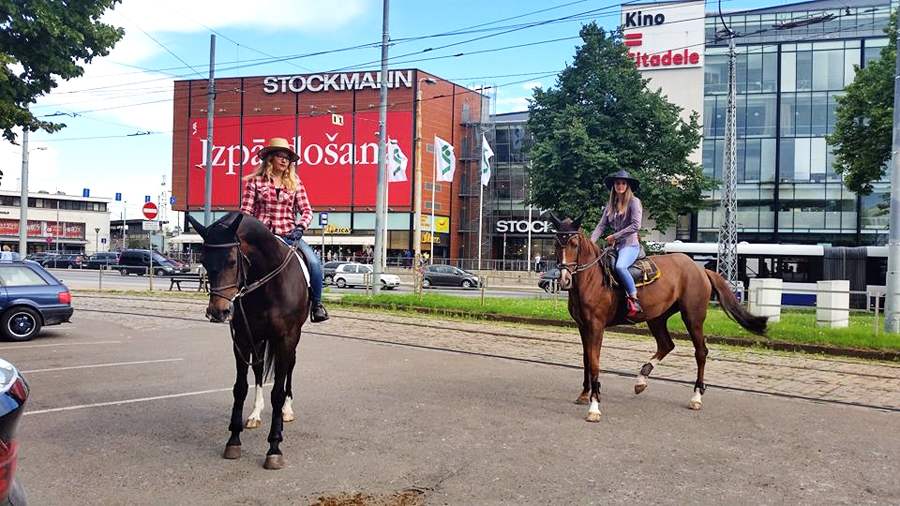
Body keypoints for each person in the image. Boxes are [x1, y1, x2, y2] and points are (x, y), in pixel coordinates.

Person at [240, 138, 329, 322]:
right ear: (270, 158)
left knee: (314, 263)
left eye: (287, 158)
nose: (284, 160)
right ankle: (233, 300)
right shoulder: (255, 182)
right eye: (279, 156)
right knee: (236, 262)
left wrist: (300, 227)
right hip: (261, 238)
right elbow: (246, 213)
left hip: (289, 235)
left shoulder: (295, 183)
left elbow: (306, 211)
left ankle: (317, 304)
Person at [590, 169, 644, 316]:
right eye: (617, 183)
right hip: (615, 247)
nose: (620, 186)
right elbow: (601, 225)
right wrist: (590, 242)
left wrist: (614, 236)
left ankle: (633, 298)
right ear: (614, 186)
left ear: (627, 186)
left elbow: (635, 225)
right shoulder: (611, 204)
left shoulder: (634, 202)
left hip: (630, 245)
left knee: (620, 267)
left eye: (623, 183)